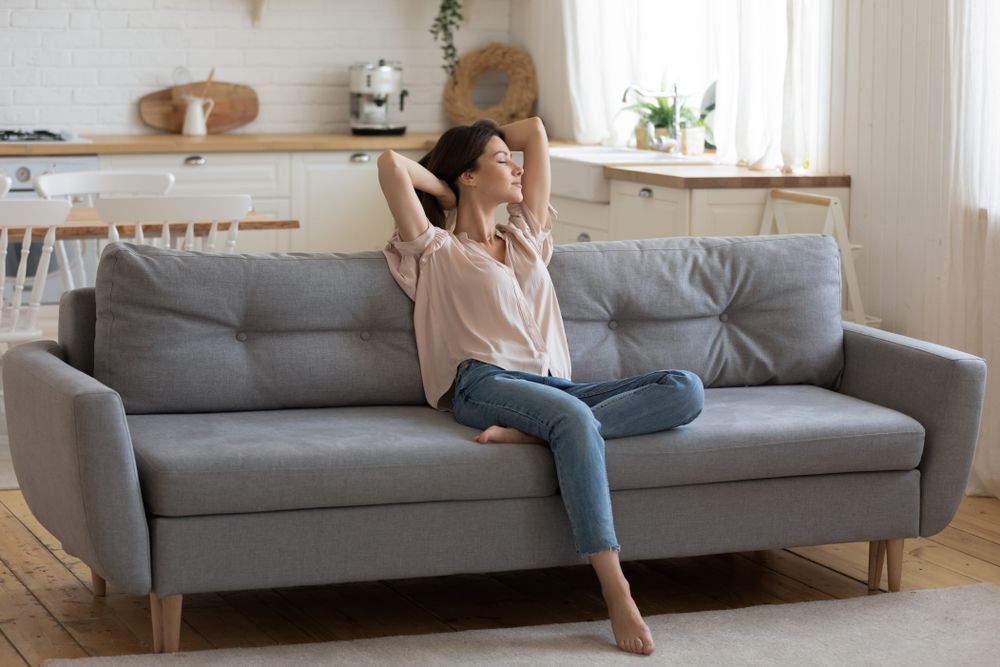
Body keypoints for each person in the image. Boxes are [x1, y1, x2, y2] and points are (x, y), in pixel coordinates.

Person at [378, 117, 704, 656]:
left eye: (512, 159)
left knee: (685, 388)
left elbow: (534, 129)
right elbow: (392, 166)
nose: (518, 166)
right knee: (573, 421)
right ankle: (616, 590)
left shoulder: (526, 237)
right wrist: (446, 186)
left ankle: (536, 434)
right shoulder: (434, 249)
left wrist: (488, 156)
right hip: (481, 382)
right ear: (468, 176)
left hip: (554, 387)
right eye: (503, 160)